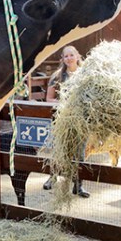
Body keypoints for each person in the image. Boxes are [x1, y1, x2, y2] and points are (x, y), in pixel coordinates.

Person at [43, 45, 89, 198]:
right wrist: (62, 105)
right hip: (61, 120)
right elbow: (49, 98)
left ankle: (78, 185)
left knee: (79, 153)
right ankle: (53, 177)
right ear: (62, 59)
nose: (69, 58)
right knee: (59, 149)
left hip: (80, 120)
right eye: (66, 56)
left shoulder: (86, 75)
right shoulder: (57, 77)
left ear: (77, 56)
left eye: (71, 55)